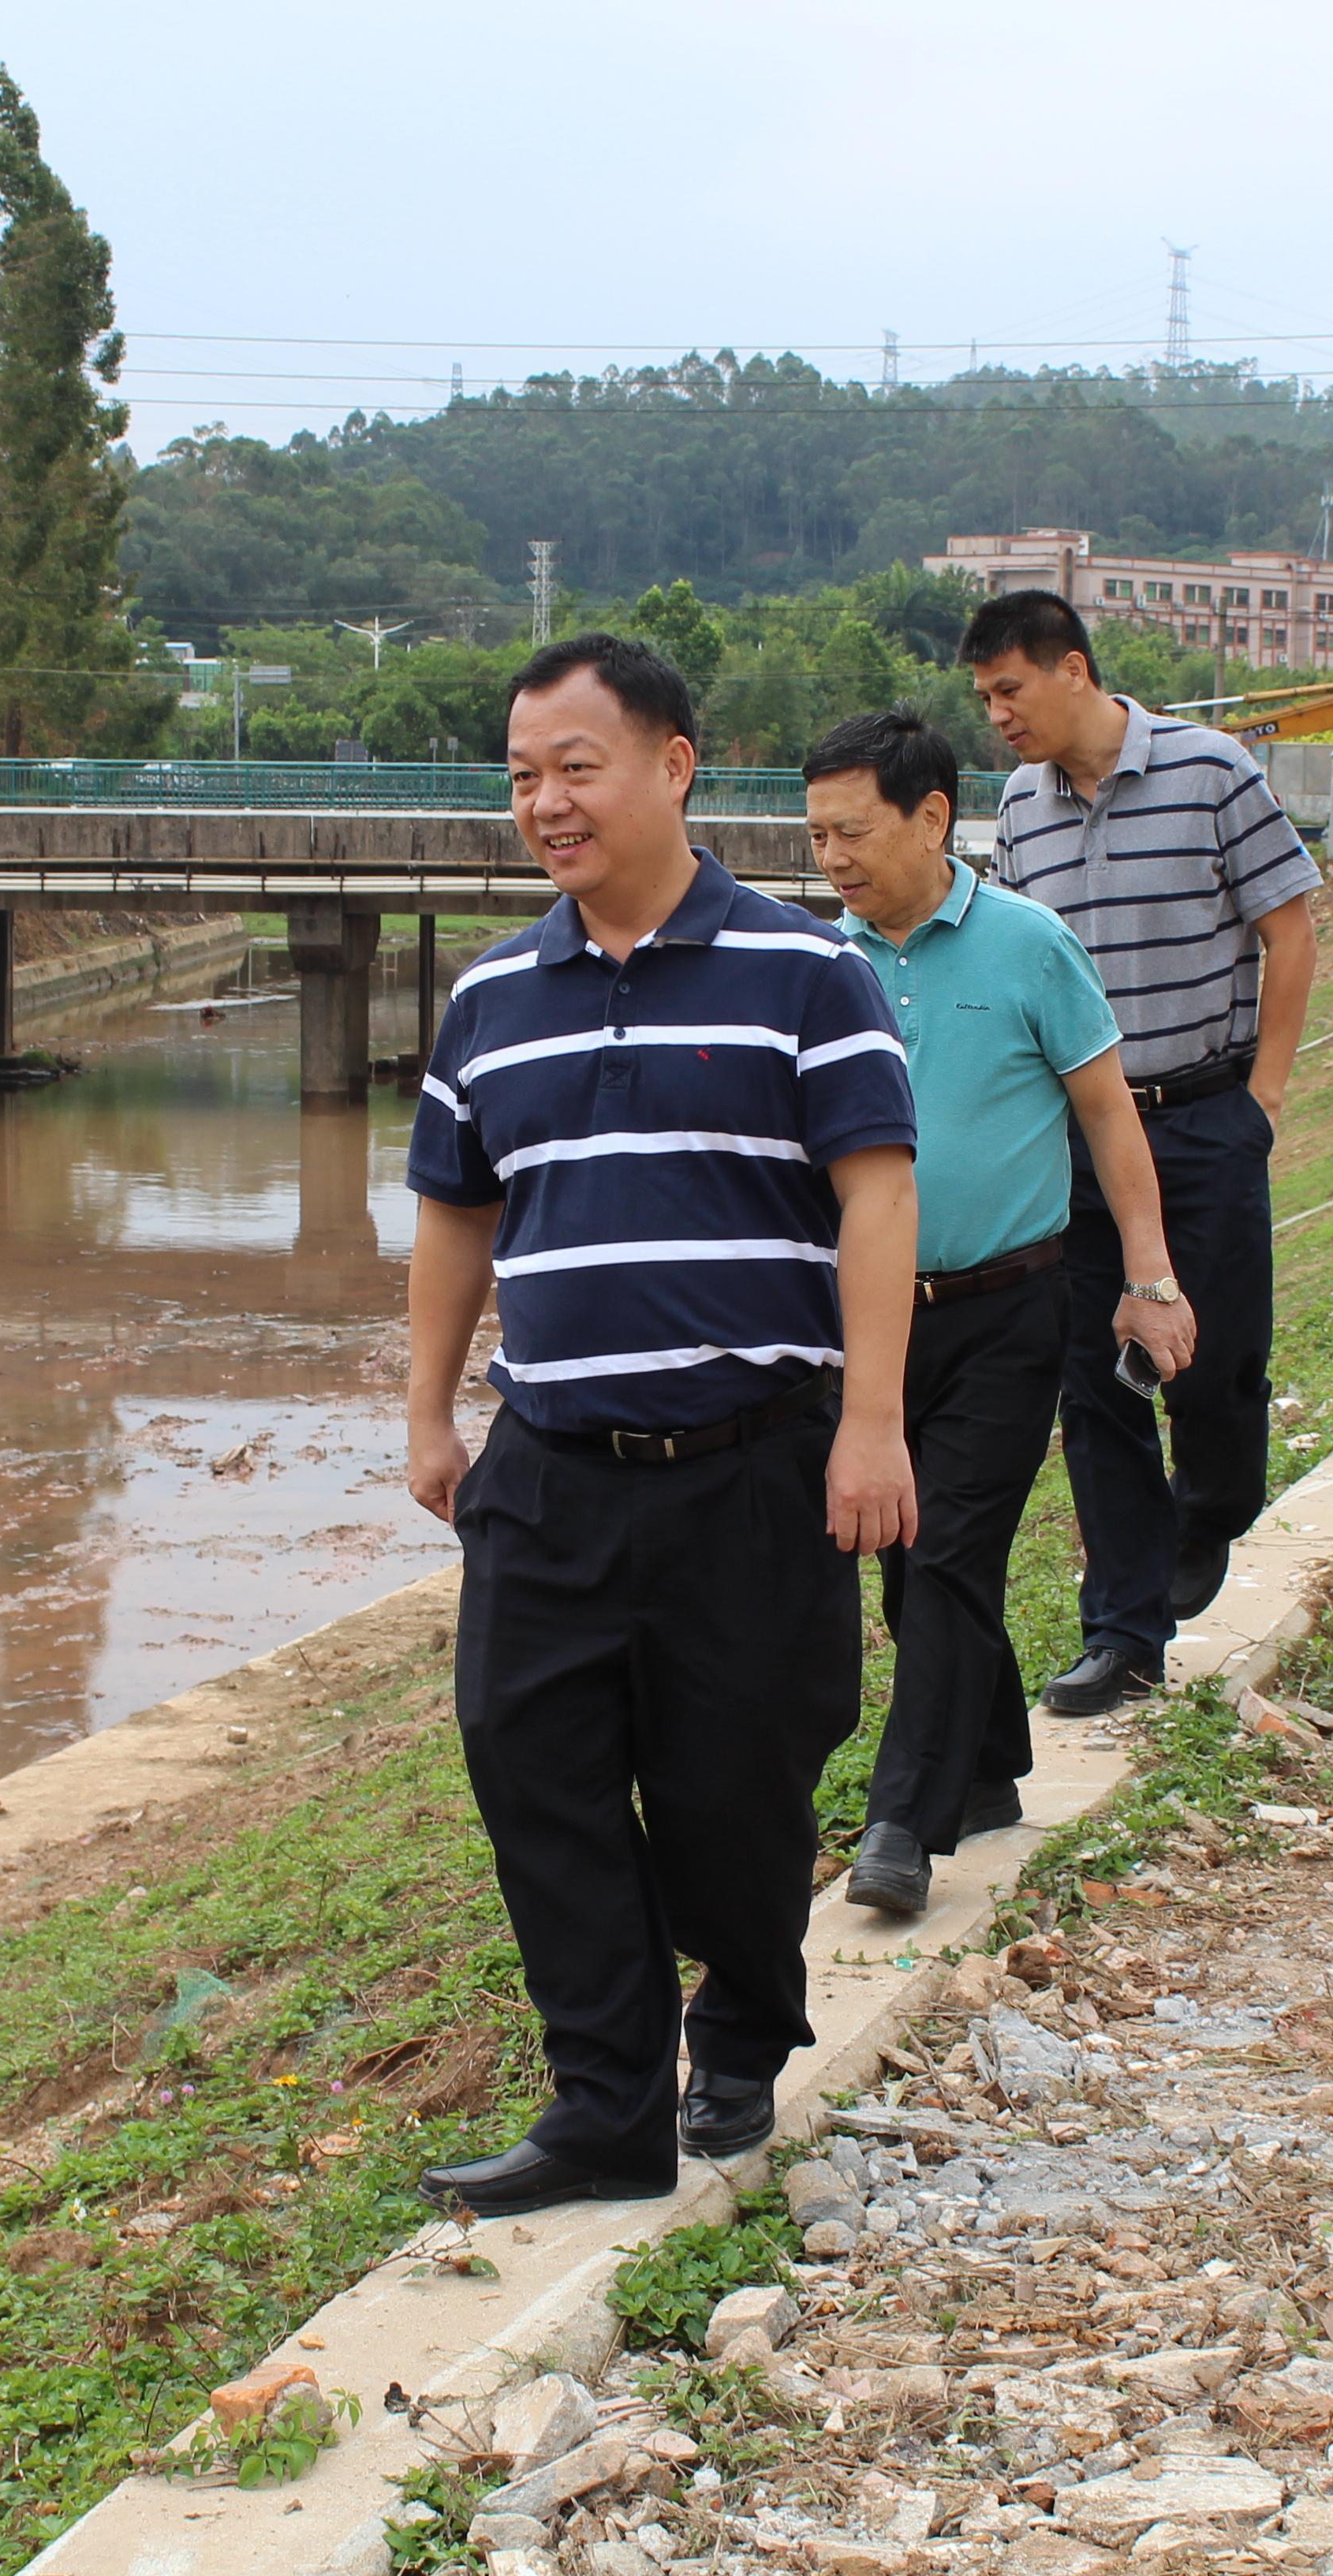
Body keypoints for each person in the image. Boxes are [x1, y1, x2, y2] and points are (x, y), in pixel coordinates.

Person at [402, 632, 919, 2217]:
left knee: (734, 1787)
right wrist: (428, 1410)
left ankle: (746, 2028)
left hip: (754, 1466)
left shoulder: (806, 973)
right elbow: (453, 1212)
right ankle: (604, 2106)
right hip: (550, 1469)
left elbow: (878, 1196)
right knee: (533, 1768)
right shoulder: (492, 995)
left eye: (575, 768)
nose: (544, 804)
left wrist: (872, 1423)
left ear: (674, 765)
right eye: (520, 779)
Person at [803, 708, 1195, 1918]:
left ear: (931, 816)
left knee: (953, 1551)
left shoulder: (1028, 944)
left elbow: (1107, 1118)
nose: (832, 859)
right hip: (864, 1327)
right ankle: (982, 1772)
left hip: (1008, 1307)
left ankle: (897, 1823)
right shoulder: (822, 966)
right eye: (814, 837)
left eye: (852, 831)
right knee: (907, 1568)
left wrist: (1148, 1276)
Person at [962, 591, 1321, 1718]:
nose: (997, 718)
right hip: (1073, 1132)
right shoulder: (1018, 804)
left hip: (1200, 1114)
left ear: (1072, 670)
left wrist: (1259, 1096)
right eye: (982, 699)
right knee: (1092, 1378)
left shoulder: (1211, 771)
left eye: (1009, 691)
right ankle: (1122, 1628)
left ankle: (1211, 1503)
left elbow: (1288, 928)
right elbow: (1019, 965)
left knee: (1210, 1364)